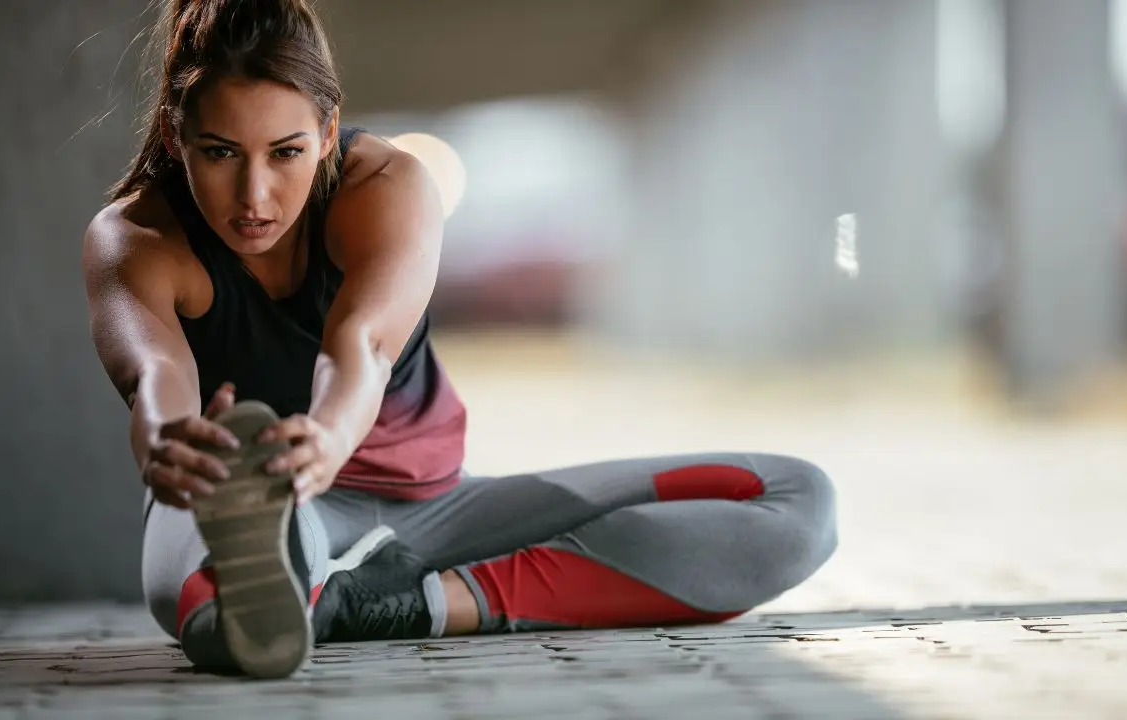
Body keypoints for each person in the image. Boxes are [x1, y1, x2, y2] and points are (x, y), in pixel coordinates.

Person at [83, 0, 838, 680]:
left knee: (796, 503)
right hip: (276, 502)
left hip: (443, 509)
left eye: (286, 153)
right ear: (178, 137)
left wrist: (329, 435)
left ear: (328, 130)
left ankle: (398, 602)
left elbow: (362, 346)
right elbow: (155, 373)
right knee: (222, 611)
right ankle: (299, 584)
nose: (256, 195)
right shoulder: (137, 239)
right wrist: (166, 439)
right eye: (221, 152)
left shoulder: (384, 187)